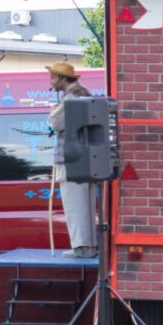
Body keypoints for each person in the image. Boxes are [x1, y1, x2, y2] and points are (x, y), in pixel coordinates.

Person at [46, 61, 95, 257]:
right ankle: (90, 245)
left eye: (53, 77)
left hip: (70, 157)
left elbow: (55, 123)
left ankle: (81, 246)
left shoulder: (71, 98)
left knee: (74, 204)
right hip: (86, 156)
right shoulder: (85, 94)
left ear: (63, 79)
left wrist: (52, 110)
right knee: (87, 203)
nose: (51, 82)